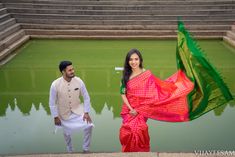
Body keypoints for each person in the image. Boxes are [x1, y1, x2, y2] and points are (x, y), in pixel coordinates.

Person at [119, 21, 233, 153]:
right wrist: (131, 108)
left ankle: (141, 152)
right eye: (131, 59)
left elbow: (155, 91)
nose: (133, 62)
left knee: (140, 130)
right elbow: (123, 93)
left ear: (140, 60)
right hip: (129, 110)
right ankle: (128, 152)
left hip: (143, 109)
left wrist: (140, 108)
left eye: (136, 59)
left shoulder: (147, 74)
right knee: (126, 132)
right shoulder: (125, 76)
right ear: (128, 61)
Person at [49, 61, 93, 153]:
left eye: (72, 69)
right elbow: (52, 103)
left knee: (89, 125)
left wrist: (86, 112)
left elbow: (86, 97)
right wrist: (55, 117)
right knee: (67, 133)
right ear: (63, 72)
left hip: (78, 111)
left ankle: (86, 148)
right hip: (63, 113)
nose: (72, 71)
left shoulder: (79, 81)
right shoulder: (55, 84)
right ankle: (70, 149)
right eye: (70, 70)